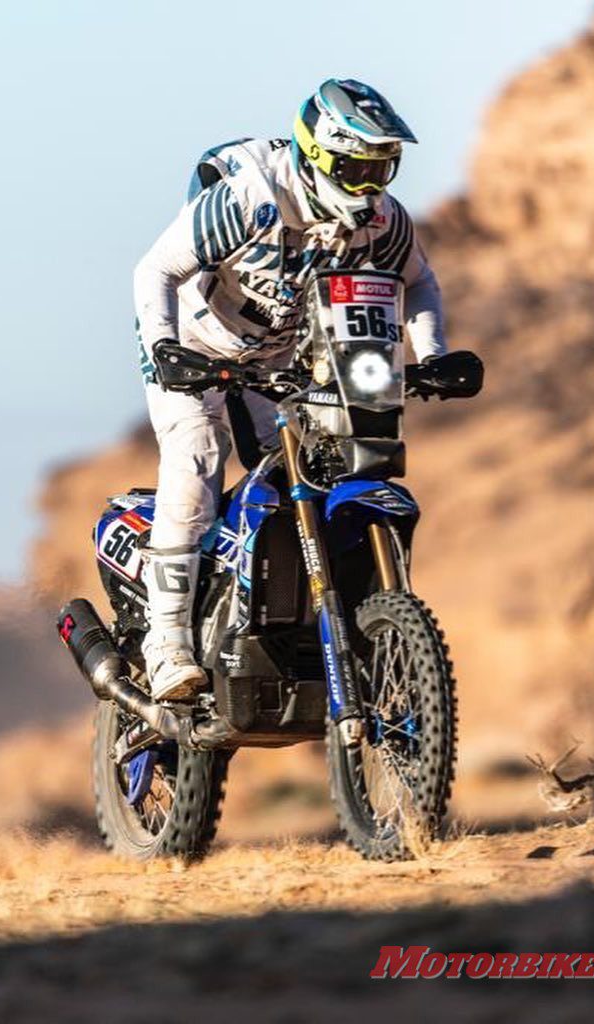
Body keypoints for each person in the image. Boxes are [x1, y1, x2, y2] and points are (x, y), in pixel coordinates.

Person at [133, 78, 447, 700]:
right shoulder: (252, 198)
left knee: (323, 466)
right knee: (197, 458)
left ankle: (306, 618)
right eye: (357, 168)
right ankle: (164, 640)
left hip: (283, 361)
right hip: (196, 351)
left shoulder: (381, 220)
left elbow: (420, 281)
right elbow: (156, 269)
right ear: (320, 156)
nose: (371, 185)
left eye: (383, 167)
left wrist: (433, 355)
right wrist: (165, 347)